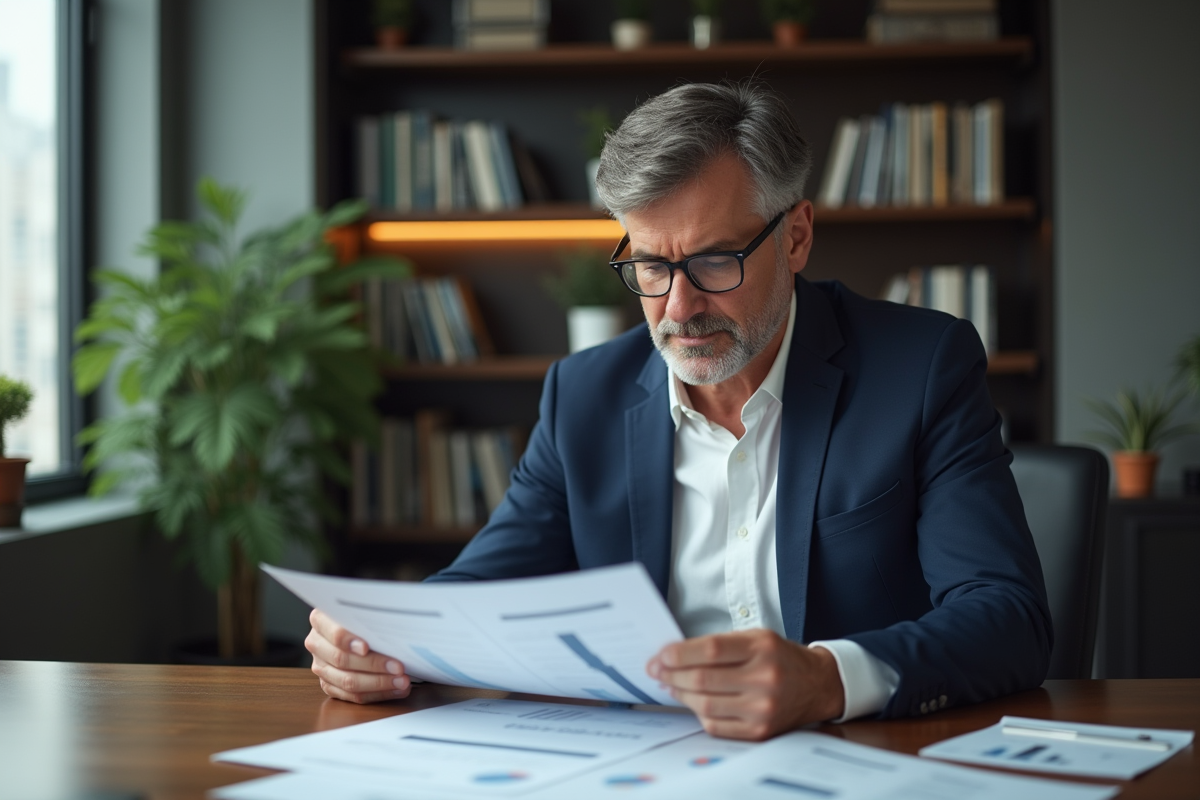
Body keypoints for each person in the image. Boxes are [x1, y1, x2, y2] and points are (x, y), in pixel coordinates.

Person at [305, 81, 1052, 741]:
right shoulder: (583, 396)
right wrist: (378, 641)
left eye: (713, 262)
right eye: (652, 266)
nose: (678, 307)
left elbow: (1007, 617)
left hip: (858, 756)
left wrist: (826, 679)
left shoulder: (920, 368)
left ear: (796, 236)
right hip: (639, 765)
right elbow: (481, 590)